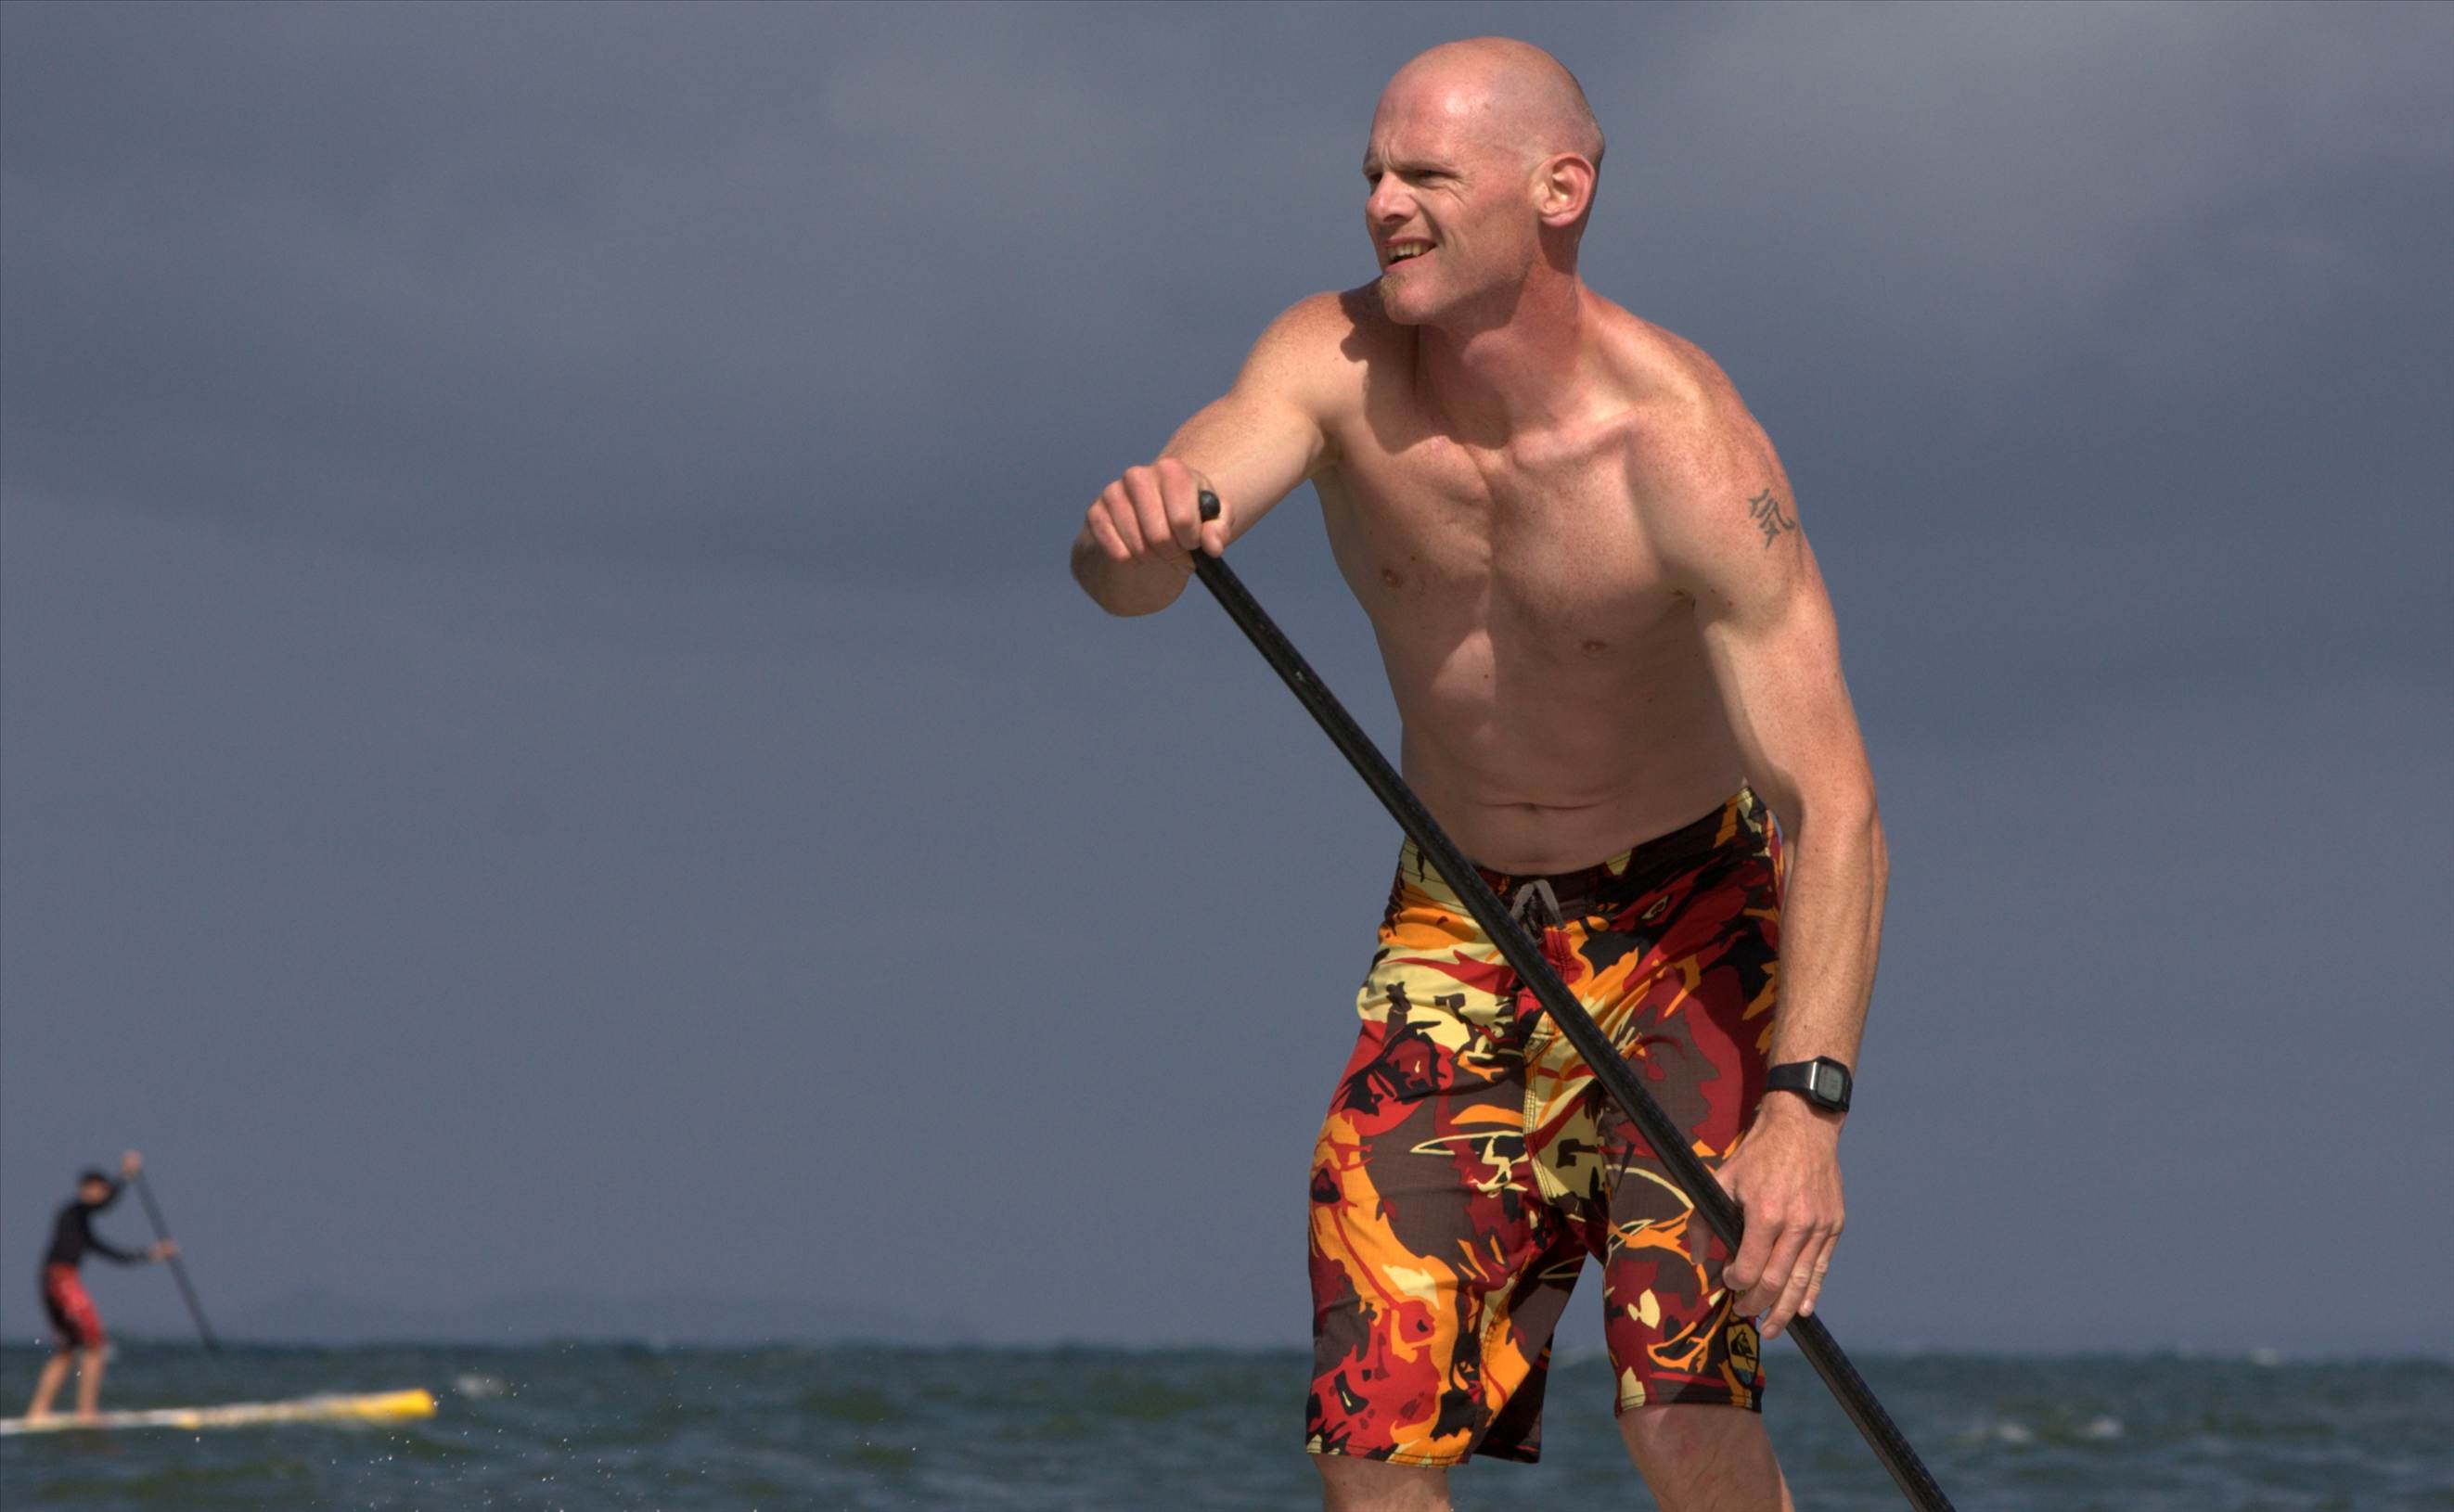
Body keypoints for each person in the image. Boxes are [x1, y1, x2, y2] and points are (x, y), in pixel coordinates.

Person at [1071, 36, 1888, 1512]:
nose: (1382, 204)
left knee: (1679, 1411)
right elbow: (1149, 557)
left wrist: (1804, 1114)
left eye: (1428, 175)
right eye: (1373, 173)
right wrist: (1136, 534)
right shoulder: (1327, 362)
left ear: (1557, 190)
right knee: (1371, 1432)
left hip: (1687, 928)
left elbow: (1833, 808)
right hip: (1457, 923)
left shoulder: (1686, 453)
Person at [26, 1150, 174, 1422]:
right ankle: (87, 1412)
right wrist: (125, 1176)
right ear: (86, 1190)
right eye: (98, 1190)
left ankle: (37, 1412)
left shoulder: (81, 1228)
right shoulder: (73, 1211)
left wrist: (151, 1254)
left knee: (68, 1347)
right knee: (95, 1345)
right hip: (61, 1280)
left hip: (50, 1281)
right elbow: (103, 1204)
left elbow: (113, 1254)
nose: (102, 1195)